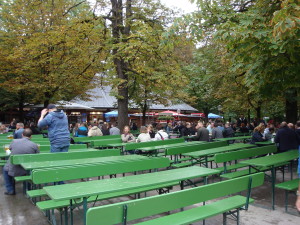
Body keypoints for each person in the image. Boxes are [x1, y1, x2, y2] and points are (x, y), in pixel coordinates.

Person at [3, 129, 39, 195]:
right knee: (30, 172)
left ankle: (10, 189)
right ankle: (27, 189)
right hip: (26, 169)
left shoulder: (14, 141)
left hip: (13, 168)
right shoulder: (34, 145)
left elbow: (9, 150)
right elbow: (37, 156)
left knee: (5, 169)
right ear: (31, 136)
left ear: (22, 135)